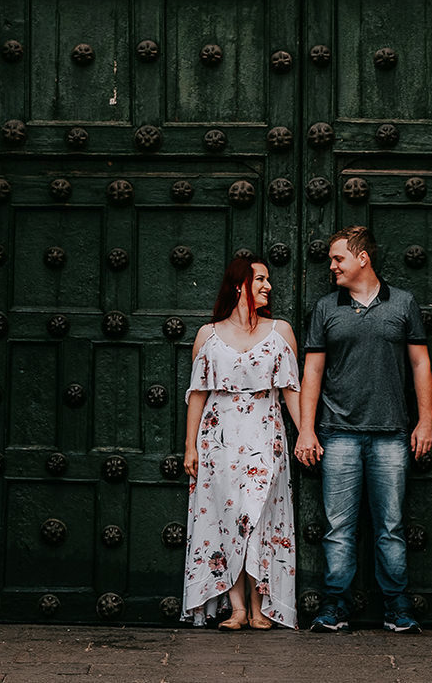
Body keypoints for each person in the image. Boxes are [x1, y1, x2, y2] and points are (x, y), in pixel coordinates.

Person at [293, 225, 432, 634]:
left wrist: (425, 420)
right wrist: (306, 429)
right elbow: (312, 371)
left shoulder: (403, 303)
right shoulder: (326, 308)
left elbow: (420, 364)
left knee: (390, 526)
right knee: (339, 528)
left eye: (338, 258)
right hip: (337, 433)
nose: (332, 266)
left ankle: (397, 607)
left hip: (391, 433)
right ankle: (335, 606)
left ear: (362, 258)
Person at [182, 256, 301, 629]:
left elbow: (291, 390)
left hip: (266, 433)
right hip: (218, 438)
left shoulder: (280, 331)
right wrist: (190, 446)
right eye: (260, 279)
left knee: (260, 515)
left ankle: (259, 605)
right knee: (226, 518)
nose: (268, 286)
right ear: (239, 285)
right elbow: (197, 394)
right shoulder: (208, 335)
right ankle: (236, 609)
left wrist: (306, 433)